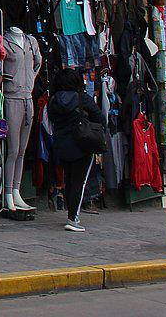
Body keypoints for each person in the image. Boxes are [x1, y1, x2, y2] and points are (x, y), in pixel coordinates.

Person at [47, 68, 96, 232]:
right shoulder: (82, 98)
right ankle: (73, 217)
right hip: (81, 144)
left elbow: (50, 121)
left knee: (68, 180)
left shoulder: (53, 100)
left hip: (61, 145)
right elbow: (99, 116)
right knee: (79, 183)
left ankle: (71, 213)